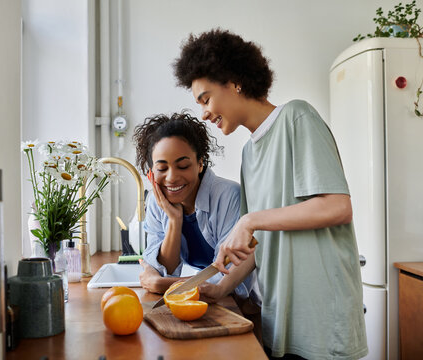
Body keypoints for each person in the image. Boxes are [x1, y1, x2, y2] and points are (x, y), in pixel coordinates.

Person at [173, 29, 368, 360]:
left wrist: (249, 220)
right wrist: (221, 287)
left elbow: (337, 206)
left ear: (234, 81)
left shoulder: (297, 117)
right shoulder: (250, 154)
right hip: (283, 314)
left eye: (206, 99)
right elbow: (257, 242)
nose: (204, 113)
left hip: (321, 315)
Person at [133, 112, 258, 305]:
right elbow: (162, 267)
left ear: (200, 164)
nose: (172, 177)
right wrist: (174, 220)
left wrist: (162, 284)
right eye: (162, 168)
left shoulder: (228, 196)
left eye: (182, 166)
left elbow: (223, 278)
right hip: (205, 300)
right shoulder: (156, 202)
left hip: (244, 304)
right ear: (151, 172)